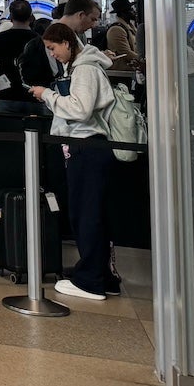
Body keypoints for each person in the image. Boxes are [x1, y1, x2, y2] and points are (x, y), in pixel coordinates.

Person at [31, 21, 121, 302]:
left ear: (67, 43)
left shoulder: (84, 69)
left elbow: (80, 110)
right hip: (91, 147)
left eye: (53, 48)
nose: (52, 54)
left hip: (87, 146)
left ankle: (90, 280)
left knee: (86, 215)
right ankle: (102, 276)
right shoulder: (85, 66)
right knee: (92, 214)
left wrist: (47, 95)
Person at [0, 0, 39, 100]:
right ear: (31, 17)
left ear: (11, 17)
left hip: (7, 93)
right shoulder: (39, 40)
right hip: (34, 94)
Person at [106, 0, 141, 73]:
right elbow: (126, 53)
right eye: (131, 10)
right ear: (123, 13)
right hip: (121, 72)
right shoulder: (116, 29)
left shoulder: (129, 26)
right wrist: (144, 61)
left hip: (129, 70)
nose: (134, 12)